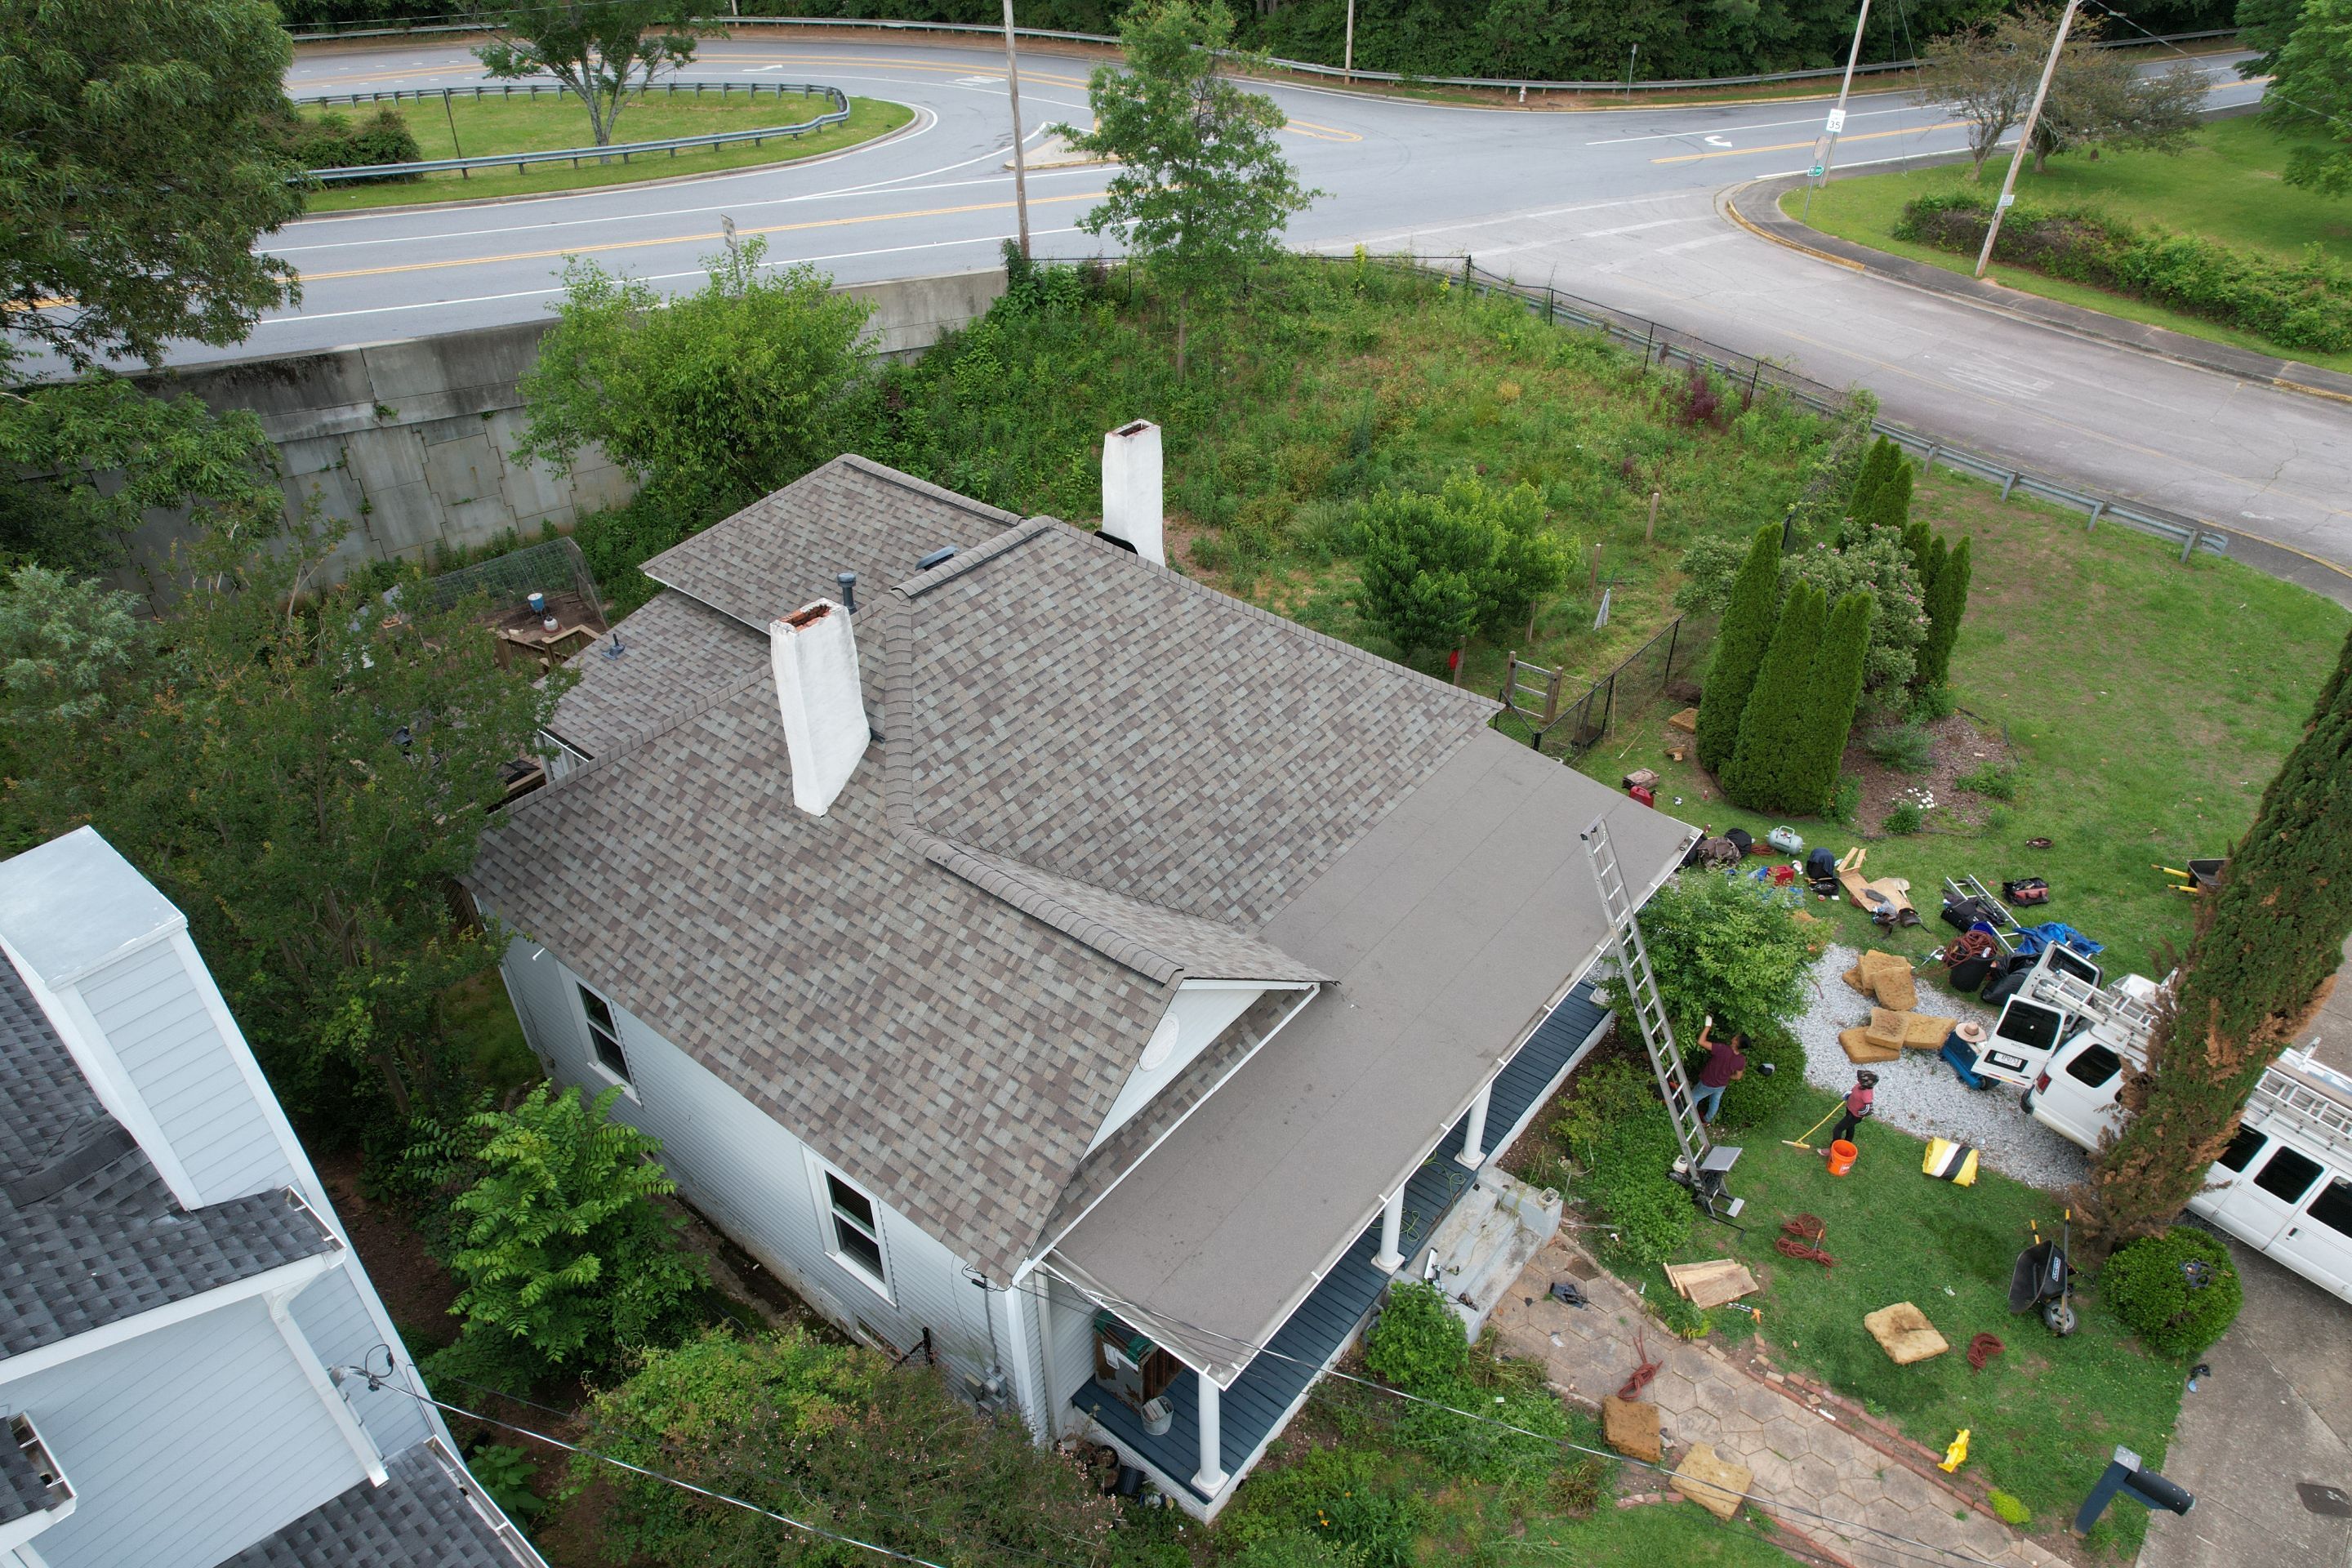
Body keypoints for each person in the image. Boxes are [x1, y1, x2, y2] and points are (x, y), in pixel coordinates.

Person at [1690, 1021, 1747, 1123]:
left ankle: (1689, 1120)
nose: (1734, 1036)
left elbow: (1701, 1042)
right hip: (1721, 1085)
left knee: (1693, 1098)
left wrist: (1708, 1026)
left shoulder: (1723, 1049)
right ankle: (1707, 1120)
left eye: (1736, 1037)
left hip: (1708, 1083)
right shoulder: (1741, 1059)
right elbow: (1738, 1077)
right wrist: (1727, 1076)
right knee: (1715, 1102)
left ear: (1736, 1042)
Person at [1826, 1070, 1878, 1151]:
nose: (1858, 1080)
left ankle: (1833, 1149)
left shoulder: (1866, 1095)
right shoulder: (1861, 1085)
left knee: (1838, 1129)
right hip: (1850, 1109)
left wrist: (1860, 1114)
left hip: (1854, 1116)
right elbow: (1855, 1091)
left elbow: (1868, 1109)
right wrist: (1850, 1094)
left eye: (1860, 1080)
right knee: (1850, 1126)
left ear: (1866, 1083)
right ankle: (1847, 1142)